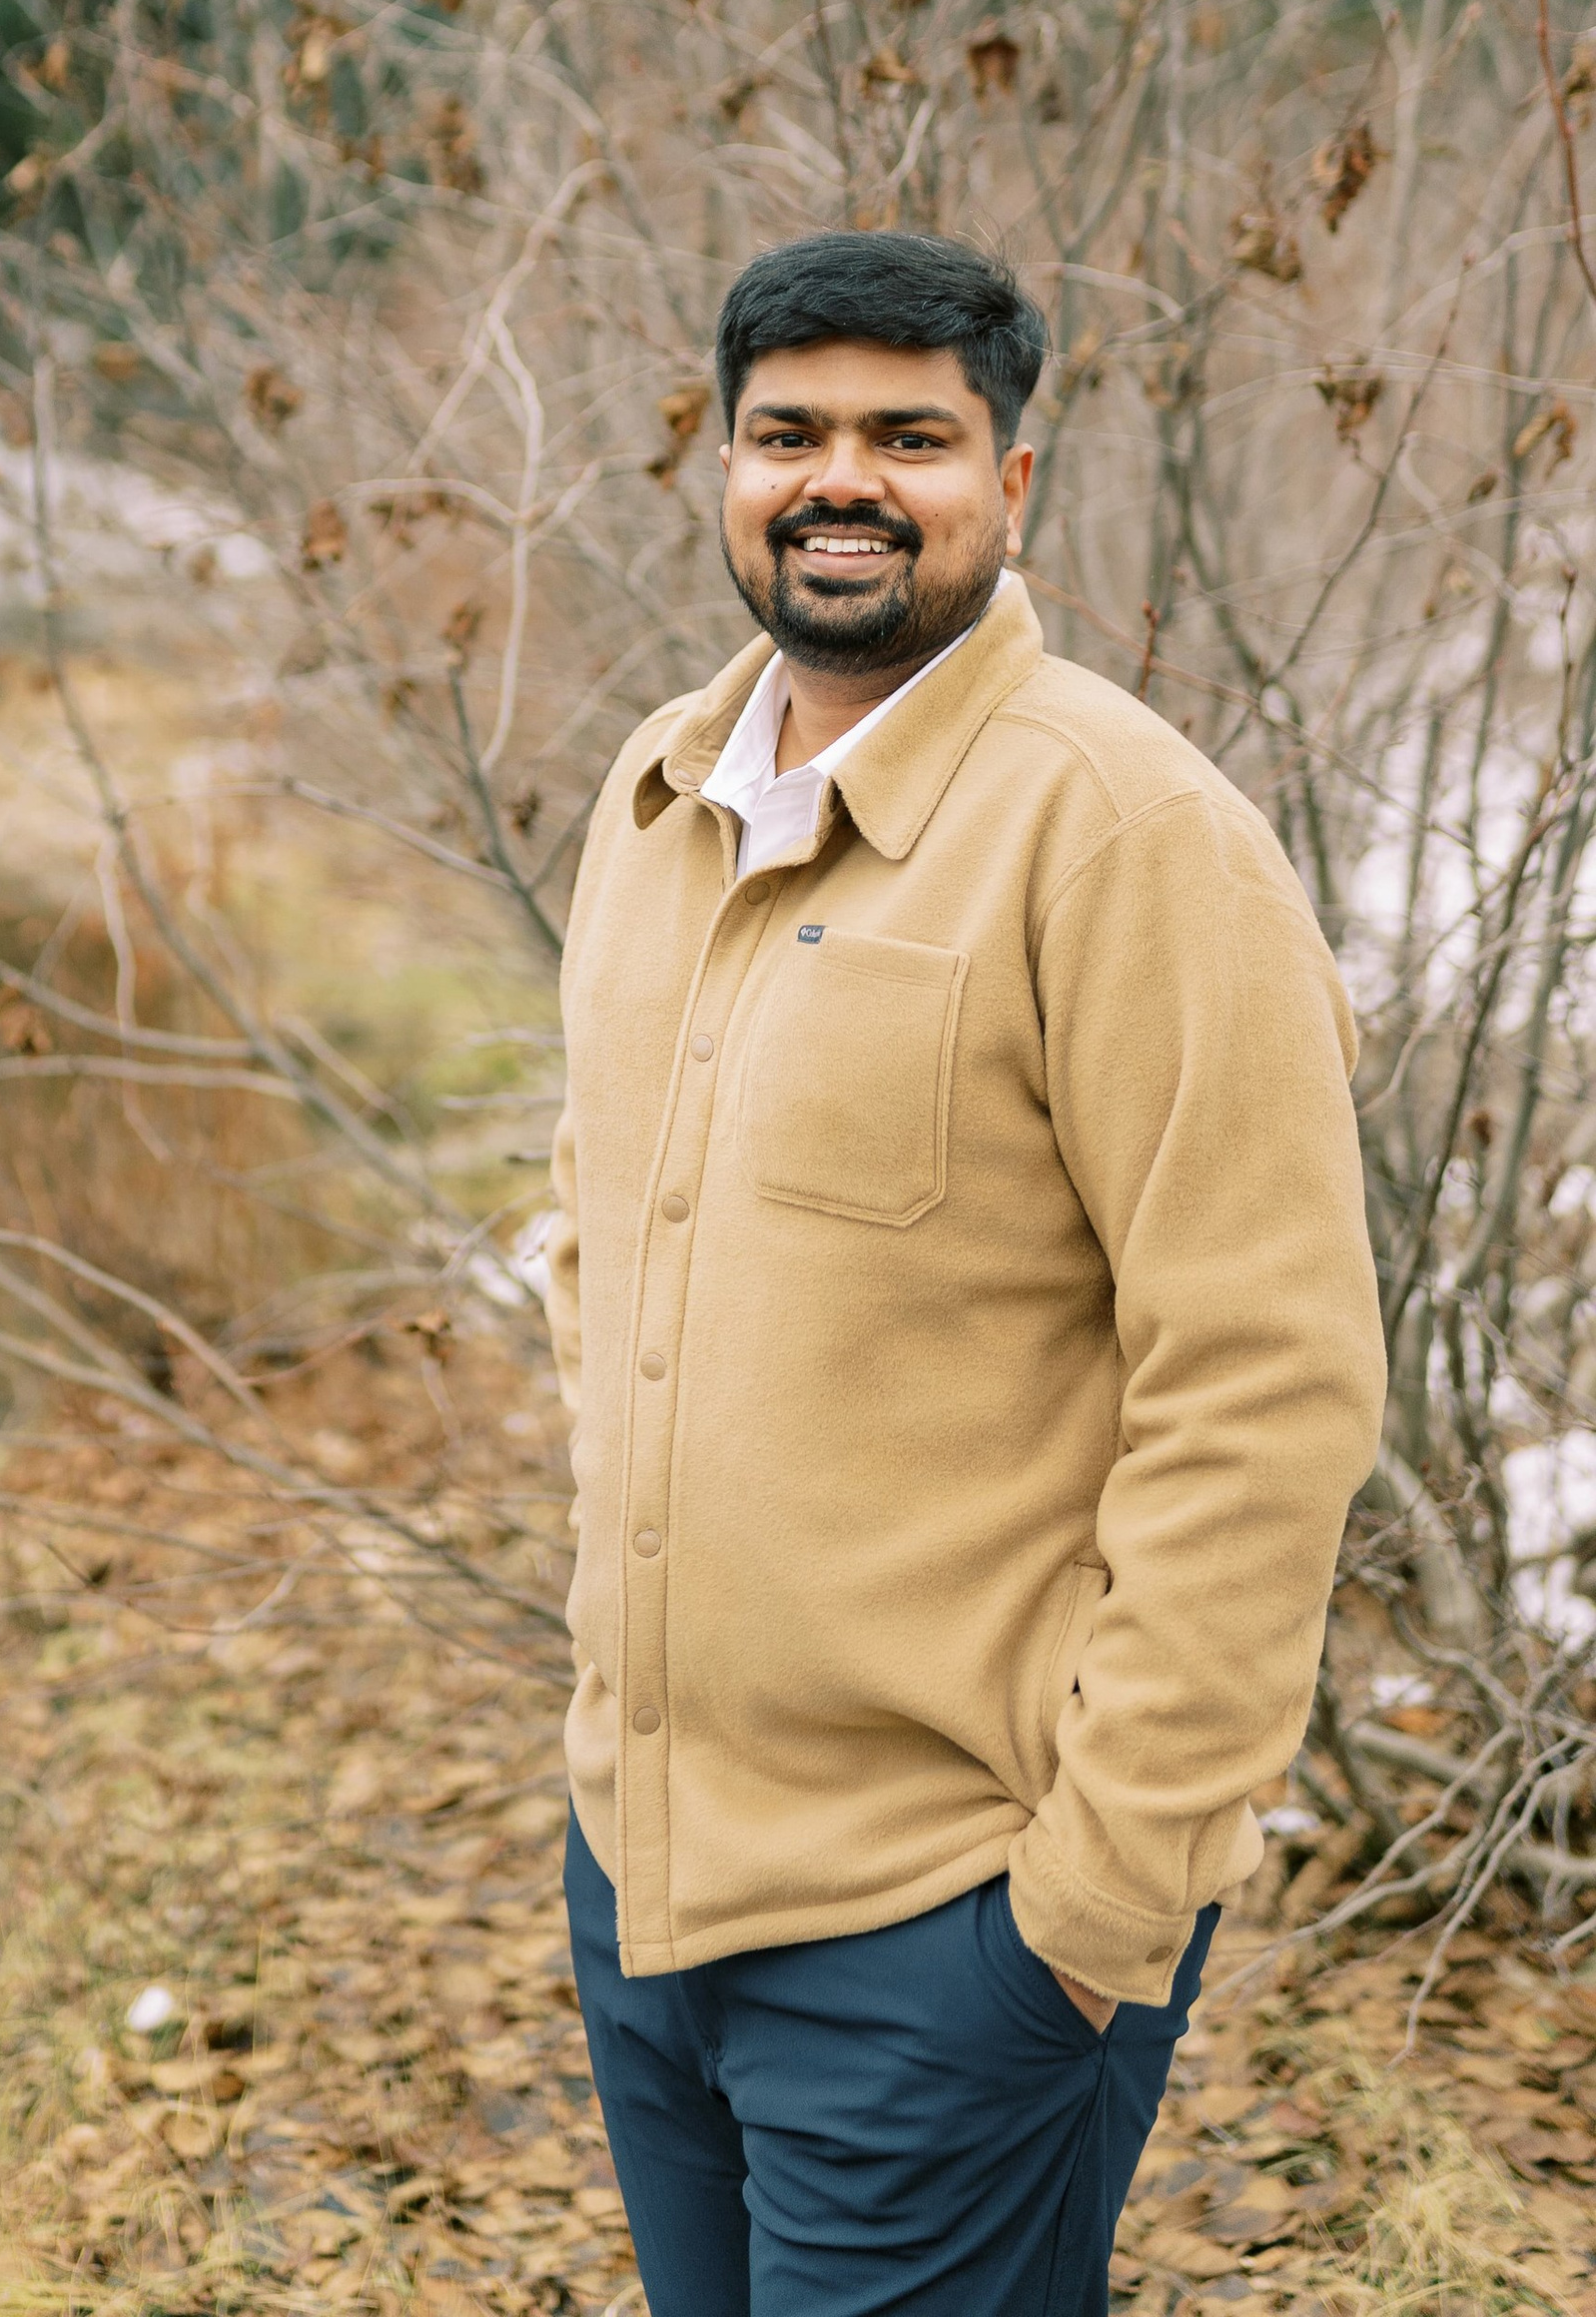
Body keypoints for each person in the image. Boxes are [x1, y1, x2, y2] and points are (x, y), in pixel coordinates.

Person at [544, 229, 1384, 2316]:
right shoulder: (652, 797)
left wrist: (1087, 1909)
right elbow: (598, 1249)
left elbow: (1262, 1394)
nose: (840, 479)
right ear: (718, 472)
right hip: (647, 1885)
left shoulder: (1124, 837)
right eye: (787, 434)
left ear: (1008, 485)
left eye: (907, 436)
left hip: (947, 1924)